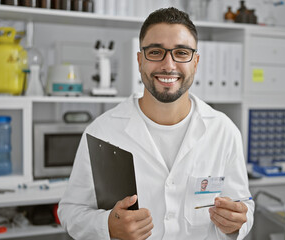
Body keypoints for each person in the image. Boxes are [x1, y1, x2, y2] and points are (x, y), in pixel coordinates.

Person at [58, 7, 254, 240]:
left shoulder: (224, 131)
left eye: (181, 53)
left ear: (196, 62)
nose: (168, 65)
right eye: (155, 52)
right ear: (140, 60)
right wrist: (107, 226)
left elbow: (244, 206)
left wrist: (235, 223)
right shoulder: (102, 131)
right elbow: (70, 211)